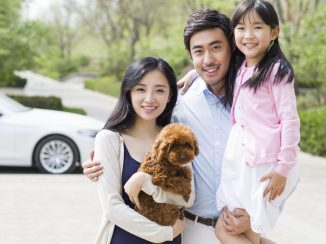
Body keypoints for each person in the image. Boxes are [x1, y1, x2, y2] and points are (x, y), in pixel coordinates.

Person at [84, 9, 276, 244]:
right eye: (198, 51)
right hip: (188, 231)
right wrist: (102, 165)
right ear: (191, 55)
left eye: (216, 47)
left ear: (232, 47)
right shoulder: (180, 108)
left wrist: (257, 214)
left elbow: (282, 168)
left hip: (237, 231)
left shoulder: (256, 101)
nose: (208, 59)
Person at [211, 1, 300, 243]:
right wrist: (190, 75)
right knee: (244, 233)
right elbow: (214, 70)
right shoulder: (242, 65)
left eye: (257, 27)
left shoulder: (277, 71)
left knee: (233, 230)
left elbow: (290, 120)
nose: (248, 35)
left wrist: (283, 169)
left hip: (266, 163)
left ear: (274, 32)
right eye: (241, 28)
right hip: (244, 159)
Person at [93, 57, 194, 244]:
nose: (149, 99)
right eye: (141, 89)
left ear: (170, 95)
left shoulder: (176, 139)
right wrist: (162, 234)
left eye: (159, 90)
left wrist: (146, 182)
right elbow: (111, 207)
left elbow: (185, 198)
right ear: (128, 92)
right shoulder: (109, 139)